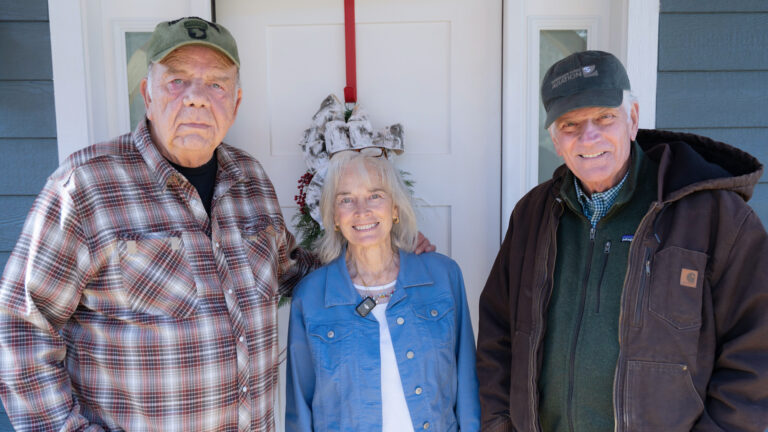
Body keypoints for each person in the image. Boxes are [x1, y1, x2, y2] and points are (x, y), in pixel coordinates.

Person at [0, 17, 433, 431]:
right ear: (146, 95)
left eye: (216, 83)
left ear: (236, 102)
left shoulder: (250, 180)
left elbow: (288, 273)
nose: (196, 97)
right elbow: (19, 325)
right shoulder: (86, 186)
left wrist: (375, 257)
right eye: (177, 80)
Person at [476, 50, 768, 432]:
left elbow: (756, 348)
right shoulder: (533, 215)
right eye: (570, 124)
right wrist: (500, 425)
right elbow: (499, 333)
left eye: (604, 117)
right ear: (554, 139)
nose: (588, 137)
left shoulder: (714, 216)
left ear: (632, 119)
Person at [285, 151, 480, 431]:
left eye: (375, 195)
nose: (361, 210)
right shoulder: (312, 296)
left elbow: (467, 385)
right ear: (335, 217)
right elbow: (299, 407)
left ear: (395, 208)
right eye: (346, 199)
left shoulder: (443, 277)